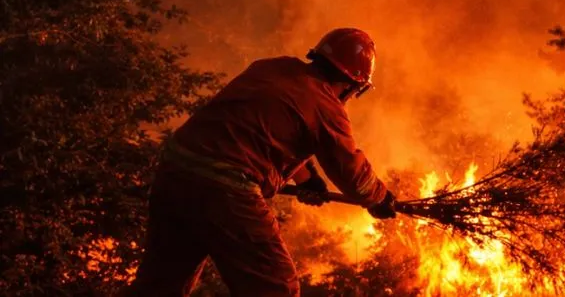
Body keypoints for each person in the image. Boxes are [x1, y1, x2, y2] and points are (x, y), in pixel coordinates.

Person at [129, 28, 396, 297]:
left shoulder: (274, 68)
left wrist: (305, 178)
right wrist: (380, 199)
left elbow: (253, 128)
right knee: (275, 287)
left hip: (175, 172)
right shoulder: (326, 105)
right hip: (225, 189)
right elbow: (350, 171)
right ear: (353, 84)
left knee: (160, 286)